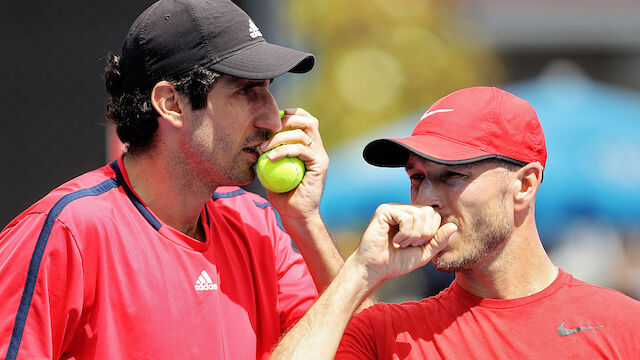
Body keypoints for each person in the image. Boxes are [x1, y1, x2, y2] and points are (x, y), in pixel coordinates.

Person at [0, 0, 345, 359]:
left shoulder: (258, 224)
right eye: (246, 91)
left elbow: (365, 346)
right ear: (171, 103)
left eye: (268, 89)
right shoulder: (68, 231)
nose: (273, 118)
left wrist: (306, 222)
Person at [270, 86, 640, 359]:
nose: (427, 197)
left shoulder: (624, 326)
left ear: (524, 185)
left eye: (452, 176)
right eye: (417, 177)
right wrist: (360, 273)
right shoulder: (385, 331)